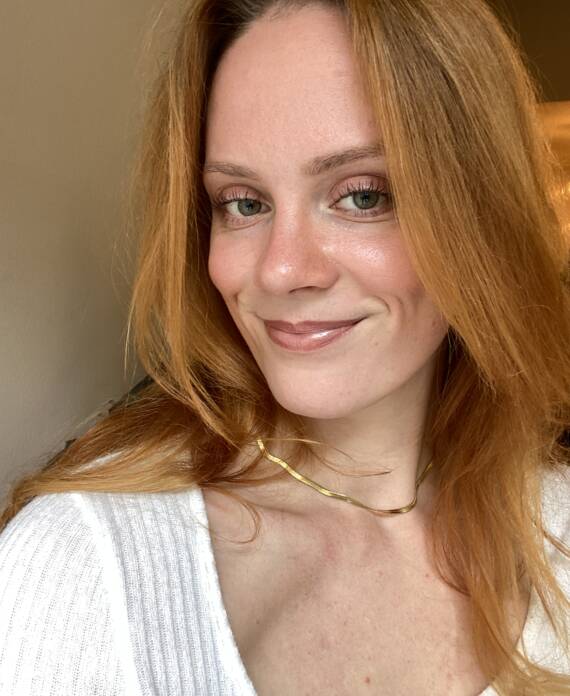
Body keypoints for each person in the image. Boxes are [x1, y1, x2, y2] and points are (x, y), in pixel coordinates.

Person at [0, 0, 569, 694]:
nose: (280, 271)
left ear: (482, 214)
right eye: (243, 202)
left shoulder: (556, 525)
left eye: (362, 196)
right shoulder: (84, 569)